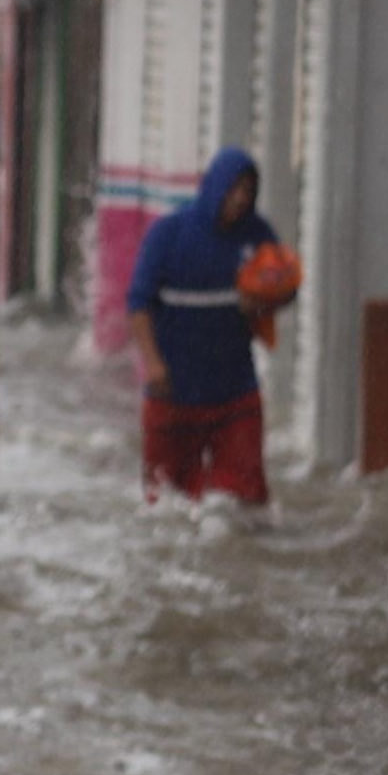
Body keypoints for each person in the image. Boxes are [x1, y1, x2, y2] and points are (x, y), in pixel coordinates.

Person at [125, 146, 290, 506]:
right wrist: (153, 364)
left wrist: (262, 302)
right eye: (234, 189)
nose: (241, 199)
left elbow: (285, 290)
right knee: (165, 502)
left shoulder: (258, 237)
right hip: (173, 393)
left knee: (246, 499)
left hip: (235, 393)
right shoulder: (168, 235)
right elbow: (138, 304)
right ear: (215, 187)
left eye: (249, 191)